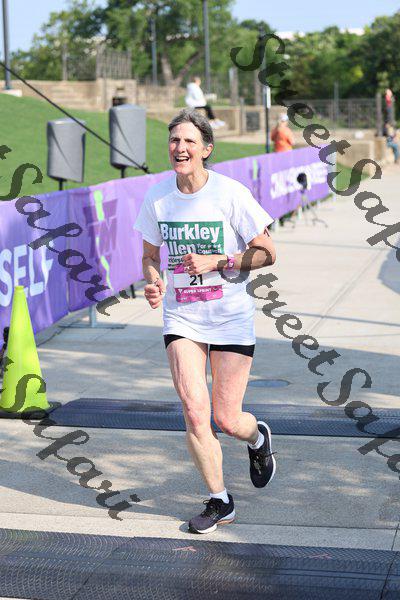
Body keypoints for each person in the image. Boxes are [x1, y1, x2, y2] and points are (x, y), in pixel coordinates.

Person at [133, 109, 277, 535]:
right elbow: (149, 256)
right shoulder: (158, 197)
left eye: (189, 141)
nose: (180, 148)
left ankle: (257, 438)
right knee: (196, 411)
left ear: (206, 149)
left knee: (227, 418)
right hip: (183, 318)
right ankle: (220, 500)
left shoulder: (230, 194)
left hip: (230, 317)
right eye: (174, 140)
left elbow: (268, 252)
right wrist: (154, 281)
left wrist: (219, 261)